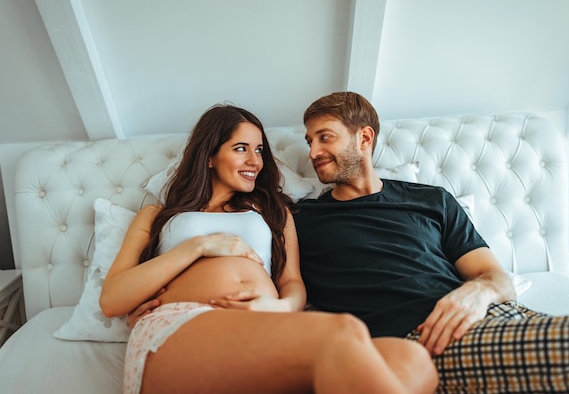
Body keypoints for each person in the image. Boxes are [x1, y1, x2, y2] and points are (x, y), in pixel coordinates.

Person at [293, 91, 569, 394]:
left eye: (325, 137)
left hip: (501, 315)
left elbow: (494, 276)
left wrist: (480, 291)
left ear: (364, 137)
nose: (313, 152)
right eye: (310, 141)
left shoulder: (431, 199)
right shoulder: (303, 219)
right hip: (428, 338)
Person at [100, 104, 438, 394]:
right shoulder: (157, 215)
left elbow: (292, 283)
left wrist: (279, 308)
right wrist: (198, 247)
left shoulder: (275, 212)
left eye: (259, 150)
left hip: (261, 331)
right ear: (209, 157)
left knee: (412, 359)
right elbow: (112, 299)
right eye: (241, 148)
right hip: (181, 329)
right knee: (342, 330)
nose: (255, 160)